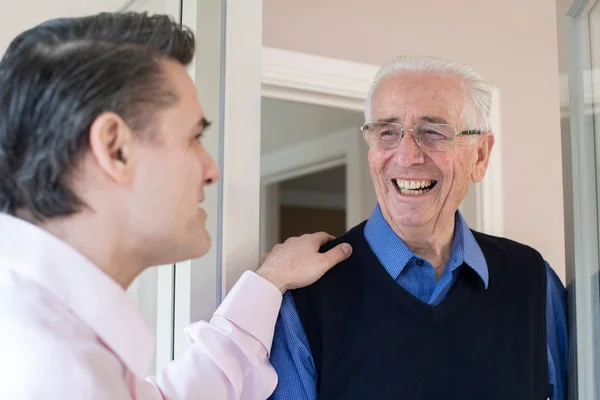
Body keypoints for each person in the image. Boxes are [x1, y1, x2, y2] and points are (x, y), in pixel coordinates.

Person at [0, 12, 353, 399]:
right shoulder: (54, 372)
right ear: (116, 148)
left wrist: (270, 281)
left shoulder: (49, 340)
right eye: (192, 137)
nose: (212, 169)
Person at [269, 56, 568, 399]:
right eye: (387, 132)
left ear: (480, 156)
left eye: (433, 132)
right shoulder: (305, 297)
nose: (407, 156)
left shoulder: (531, 279)